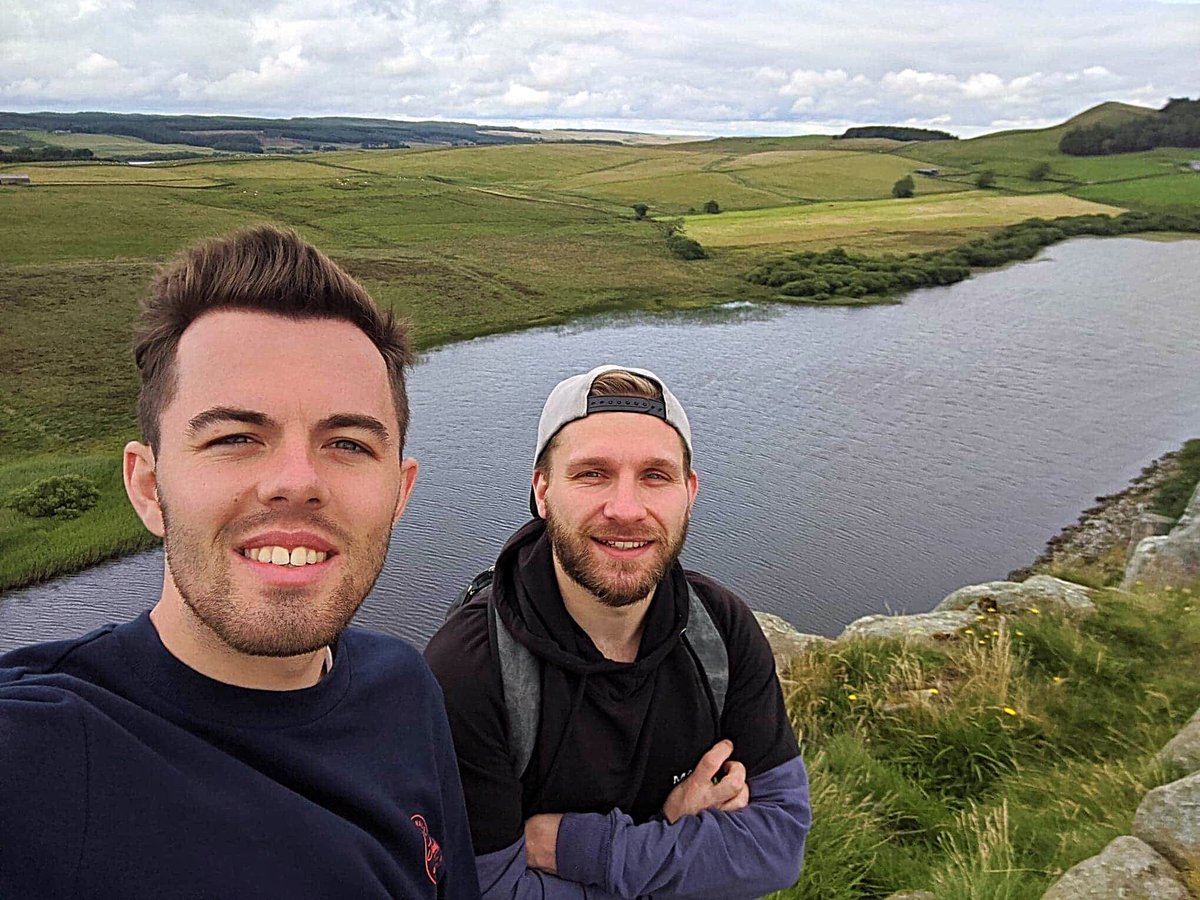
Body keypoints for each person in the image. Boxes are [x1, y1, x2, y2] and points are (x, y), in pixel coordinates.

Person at [0, 225, 480, 900]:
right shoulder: (35, 752)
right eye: (235, 437)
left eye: (346, 443)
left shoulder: (407, 690)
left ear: (399, 493)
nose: (295, 480)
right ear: (147, 486)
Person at [425, 364, 810, 899]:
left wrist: (566, 846)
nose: (626, 509)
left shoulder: (720, 629)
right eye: (591, 474)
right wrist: (676, 835)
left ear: (689, 492)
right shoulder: (471, 668)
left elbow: (778, 846)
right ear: (542, 490)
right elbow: (486, 891)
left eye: (656, 475)